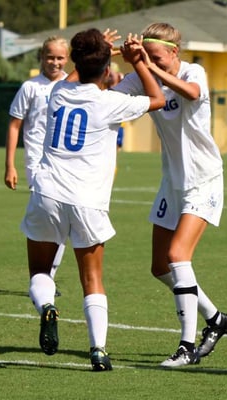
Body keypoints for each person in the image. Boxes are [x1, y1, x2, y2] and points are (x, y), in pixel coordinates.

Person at [19, 28, 164, 371]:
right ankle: (98, 350)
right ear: (104, 69)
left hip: (47, 194)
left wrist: (96, 52)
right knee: (92, 280)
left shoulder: (57, 92)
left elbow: (76, 75)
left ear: (74, 61)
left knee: (41, 271)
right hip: (87, 201)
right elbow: (156, 98)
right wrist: (136, 60)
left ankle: (47, 308)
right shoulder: (109, 102)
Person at [113, 23, 227, 368]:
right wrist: (115, 63)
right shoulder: (144, 74)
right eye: (148, 56)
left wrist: (146, 65)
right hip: (173, 182)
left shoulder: (194, 71)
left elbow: (192, 93)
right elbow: (116, 99)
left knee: (178, 255)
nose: (153, 62)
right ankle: (216, 319)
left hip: (204, 180)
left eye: (158, 57)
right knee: (159, 266)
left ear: (174, 53)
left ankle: (187, 347)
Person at [5, 36, 69, 291]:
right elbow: (15, 124)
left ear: (67, 59)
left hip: (65, 162)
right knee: (48, 216)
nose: (55, 62)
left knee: (63, 218)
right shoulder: (30, 87)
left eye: (60, 57)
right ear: (42, 58)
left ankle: (48, 275)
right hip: (37, 163)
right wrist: (10, 165)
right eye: (50, 57)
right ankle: (46, 276)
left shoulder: (72, 85)